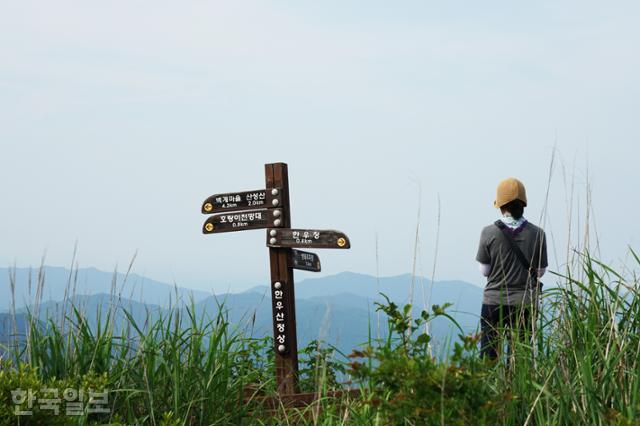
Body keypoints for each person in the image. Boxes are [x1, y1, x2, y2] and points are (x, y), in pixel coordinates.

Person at [476, 177, 548, 360]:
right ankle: (515, 387)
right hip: (524, 303)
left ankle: (489, 387)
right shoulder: (537, 233)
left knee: (488, 357)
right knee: (520, 359)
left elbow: (484, 270)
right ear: (523, 204)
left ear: (500, 205)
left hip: (493, 301)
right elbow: (539, 272)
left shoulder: (488, 232)